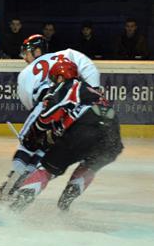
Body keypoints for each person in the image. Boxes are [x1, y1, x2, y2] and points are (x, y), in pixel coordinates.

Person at [0, 34, 100, 201]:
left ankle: (12, 182)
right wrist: (94, 89)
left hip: (45, 108)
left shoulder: (25, 73)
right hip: (68, 112)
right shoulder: (68, 54)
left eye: (27, 53)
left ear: (37, 51)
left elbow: (29, 102)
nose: (25, 58)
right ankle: (24, 181)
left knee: (28, 145)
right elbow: (89, 67)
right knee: (44, 148)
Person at [10, 59, 123, 212]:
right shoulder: (94, 92)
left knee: (46, 169)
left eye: (54, 80)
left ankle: (15, 207)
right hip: (112, 140)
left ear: (60, 77)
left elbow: (48, 116)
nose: (54, 84)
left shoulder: (68, 86)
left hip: (84, 130)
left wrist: (34, 135)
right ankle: (64, 205)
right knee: (89, 165)